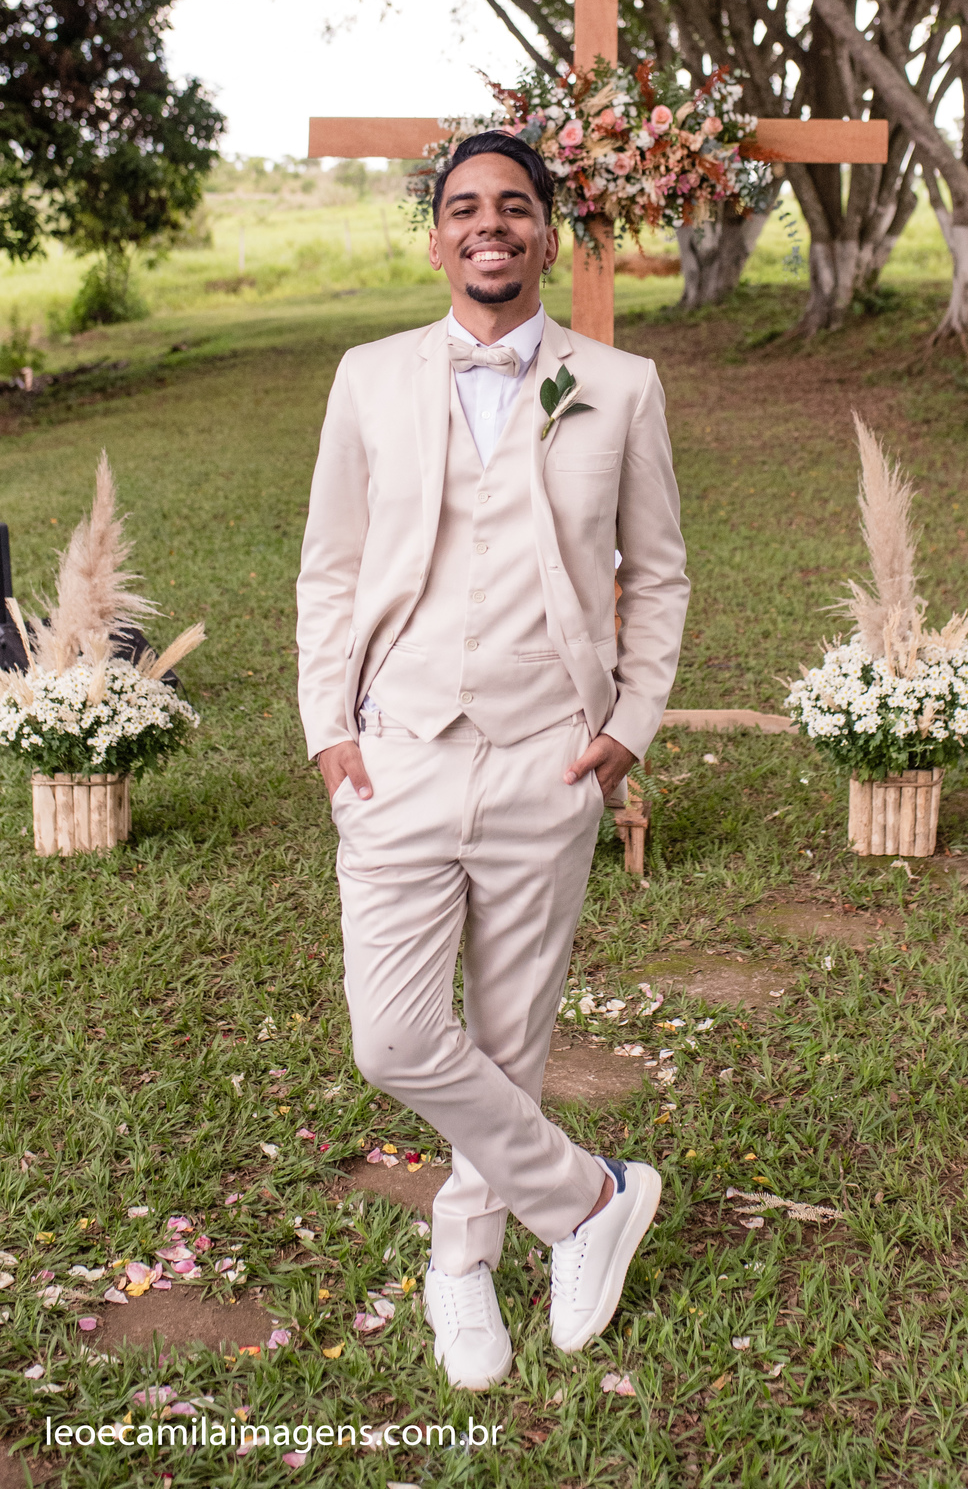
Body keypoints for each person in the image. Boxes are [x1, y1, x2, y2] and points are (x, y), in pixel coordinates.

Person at [296, 131, 689, 1390]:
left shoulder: (618, 386)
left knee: (510, 1039)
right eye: (465, 207)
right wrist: (329, 729)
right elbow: (330, 567)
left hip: (545, 756)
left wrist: (631, 722)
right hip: (397, 753)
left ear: (547, 235)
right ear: (437, 239)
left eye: (515, 206)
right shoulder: (369, 378)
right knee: (393, 1037)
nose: (489, 224)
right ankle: (588, 1200)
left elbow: (659, 574)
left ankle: (462, 1262)